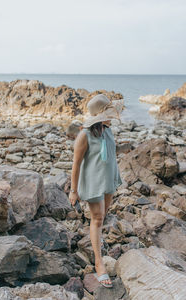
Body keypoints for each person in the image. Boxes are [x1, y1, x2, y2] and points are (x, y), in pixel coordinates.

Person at [69, 94, 123, 288]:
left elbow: (110, 154)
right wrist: (73, 191)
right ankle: (99, 263)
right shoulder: (84, 135)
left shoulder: (107, 130)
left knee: (102, 217)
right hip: (92, 181)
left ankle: (96, 241)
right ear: (99, 116)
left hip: (108, 179)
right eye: (108, 113)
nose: (112, 116)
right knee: (98, 218)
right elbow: (76, 164)